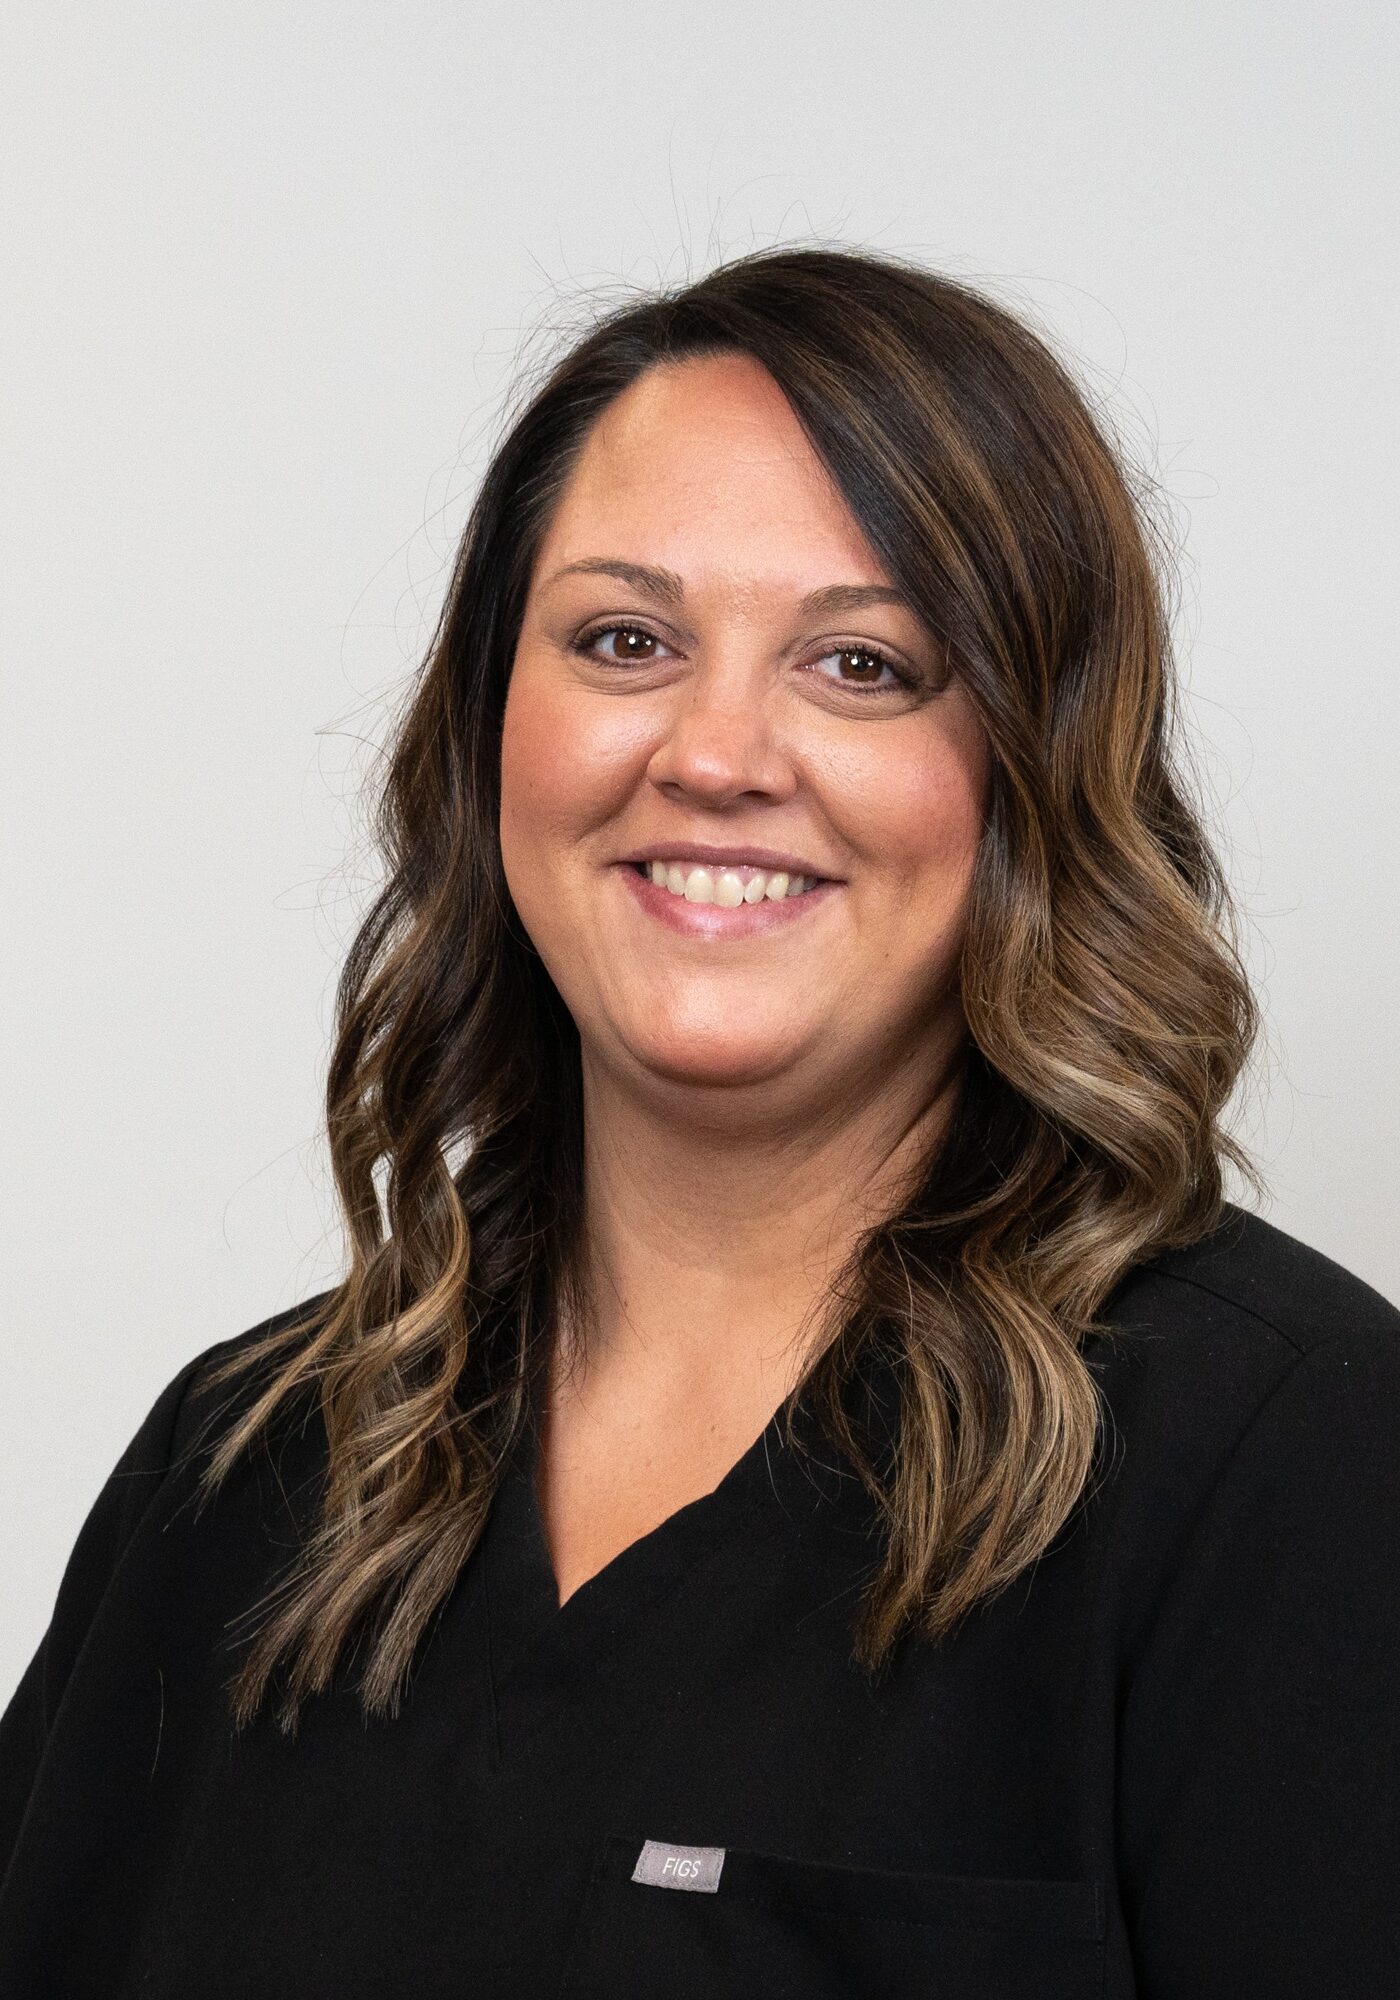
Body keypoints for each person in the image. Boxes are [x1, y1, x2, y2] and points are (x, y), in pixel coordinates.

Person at [1, 246, 1396, 1999]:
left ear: (1033, 776)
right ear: (489, 728)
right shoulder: (236, 1476)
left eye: (864, 665)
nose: (718, 751)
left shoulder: (1296, 1465)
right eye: (626, 639)